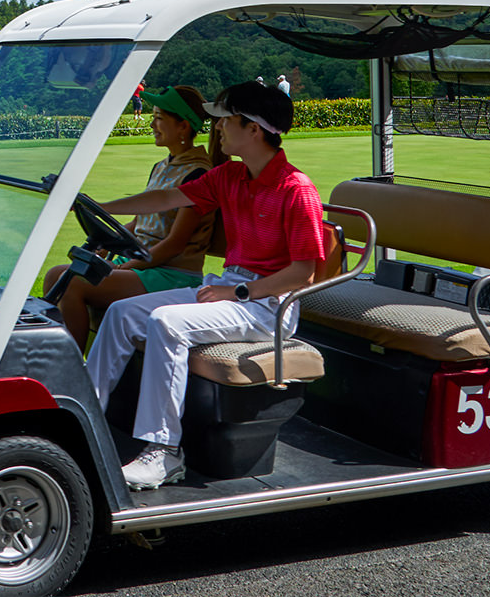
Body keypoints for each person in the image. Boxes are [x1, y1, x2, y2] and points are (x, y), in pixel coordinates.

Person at [85, 80, 327, 490]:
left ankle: (164, 452)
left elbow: (303, 272)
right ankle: (86, 418)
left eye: (226, 120)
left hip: (269, 306)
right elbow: (166, 199)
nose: (217, 128)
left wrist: (237, 293)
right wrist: (96, 207)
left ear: (253, 129)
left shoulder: (296, 189)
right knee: (122, 312)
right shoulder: (230, 175)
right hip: (232, 290)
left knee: (166, 322)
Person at [42, 85, 221, 348]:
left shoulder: (197, 174)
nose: (152, 124)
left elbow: (174, 244)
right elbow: (138, 223)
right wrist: (106, 245)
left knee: (72, 283)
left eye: (159, 118)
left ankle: (72, 366)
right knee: (54, 275)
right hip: (144, 266)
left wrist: (125, 267)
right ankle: (65, 358)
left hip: (170, 275)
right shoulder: (161, 167)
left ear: (183, 126)